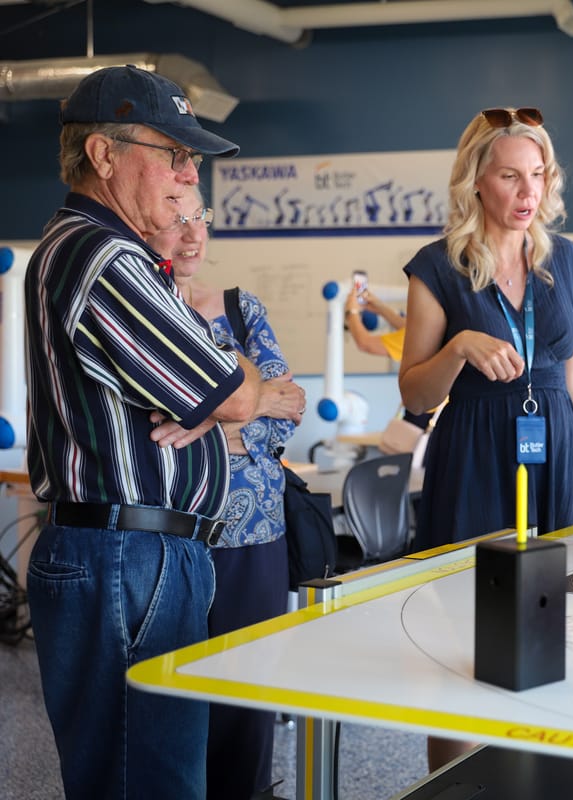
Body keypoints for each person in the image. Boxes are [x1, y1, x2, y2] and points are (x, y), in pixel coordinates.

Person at [23, 65, 260, 799]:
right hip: (127, 557)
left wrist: (218, 396)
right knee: (145, 781)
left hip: (135, 556)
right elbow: (240, 394)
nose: (190, 177)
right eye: (174, 154)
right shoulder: (105, 256)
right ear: (102, 154)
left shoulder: (118, 257)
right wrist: (221, 395)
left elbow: (226, 393)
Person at [396, 107, 573, 768]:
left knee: (556, 630)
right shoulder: (436, 267)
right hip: (472, 457)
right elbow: (414, 394)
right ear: (477, 182)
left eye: (538, 176)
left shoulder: (566, 262)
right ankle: (459, 785)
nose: (528, 193)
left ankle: (538, 774)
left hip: (555, 465)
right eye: (512, 177)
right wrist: (458, 347)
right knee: (463, 637)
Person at [148, 188, 305, 800]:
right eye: (175, 221)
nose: (191, 236)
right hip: (166, 540)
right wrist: (247, 404)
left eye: (199, 220)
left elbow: (286, 413)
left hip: (254, 537)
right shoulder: (145, 311)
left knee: (246, 704)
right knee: (173, 702)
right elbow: (153, 434)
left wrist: (208, 420)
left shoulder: (242, 309)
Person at [344, 287, 436, 433]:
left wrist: (351, 312)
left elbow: (365, 343)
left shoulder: (420, 337)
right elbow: (410, 327)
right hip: (443, 411)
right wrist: (380, 307)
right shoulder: (442, 324)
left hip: (425, 416)